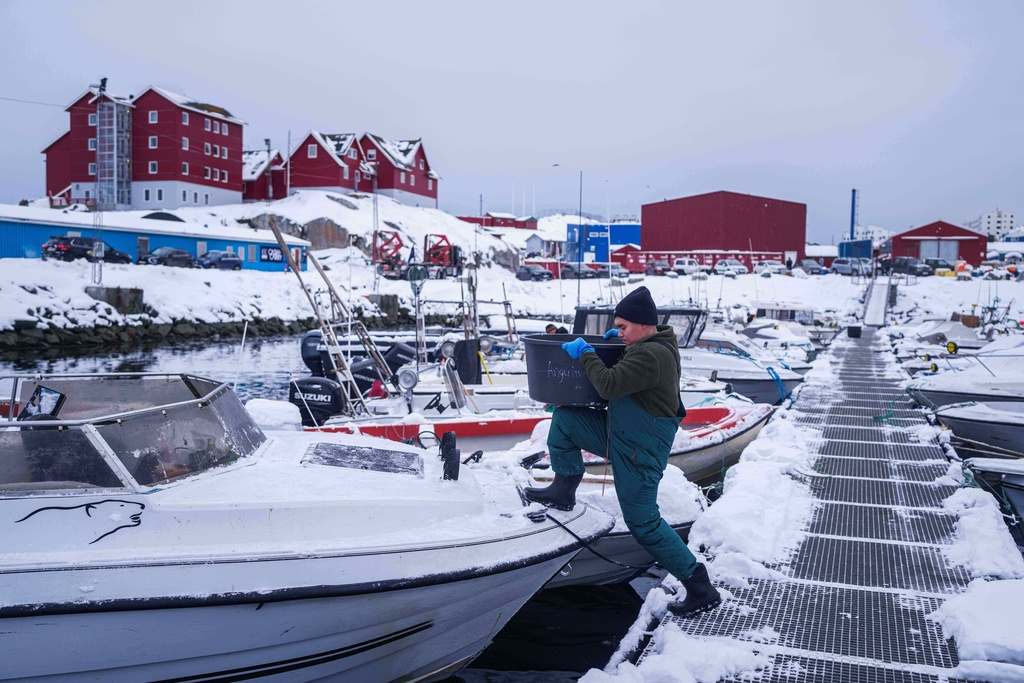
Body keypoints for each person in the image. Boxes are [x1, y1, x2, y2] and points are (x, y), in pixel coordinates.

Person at [524, 286, 721, 617]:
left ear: (643, 326)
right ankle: (564, 488)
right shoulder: (649, 344)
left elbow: (610, 385)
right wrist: (611, 343)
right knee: (566, 420)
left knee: (643, 522)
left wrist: (587, 353)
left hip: (640, 449)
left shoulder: (651, 355)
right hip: (622, 433)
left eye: (624, 327)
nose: (620, 333)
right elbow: (620, 378)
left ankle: (700, 585)